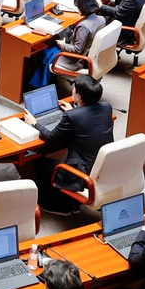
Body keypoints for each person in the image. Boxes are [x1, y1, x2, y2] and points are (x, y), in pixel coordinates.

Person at [26, 74, 113, 212]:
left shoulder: (72, 117)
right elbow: (87, 119)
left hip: (82, 173)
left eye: (74, 89)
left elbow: (50, 137)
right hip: (102, 168)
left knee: (40, 164)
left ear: (78, 97)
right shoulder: (107, 107)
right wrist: (75, 111)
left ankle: (57, 205)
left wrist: (34, 123)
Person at [49, 0, 107, 93]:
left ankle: (44, 85)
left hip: (77, 61)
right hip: (91, 55)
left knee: (48, 53)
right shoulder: (101, 19)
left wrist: (63, 45)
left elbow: (77, 50)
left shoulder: (84, 26)